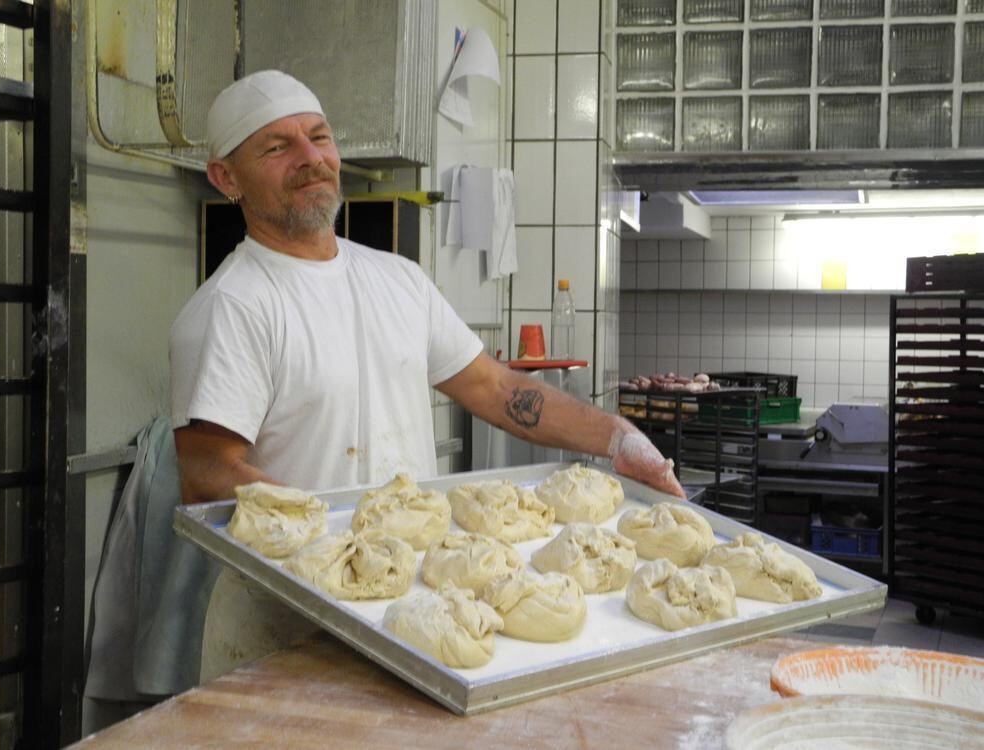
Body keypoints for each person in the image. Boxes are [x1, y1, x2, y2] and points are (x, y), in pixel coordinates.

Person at [170, 69, 684, 682]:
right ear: (227, 178)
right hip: (289, 629)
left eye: (319, 137)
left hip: (410, 614)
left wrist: (617, 437)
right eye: (277, 147)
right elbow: (207, 475)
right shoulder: (233, 306)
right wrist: (343, 546)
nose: (311, 158)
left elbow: (495, 388)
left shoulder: (398, 280)